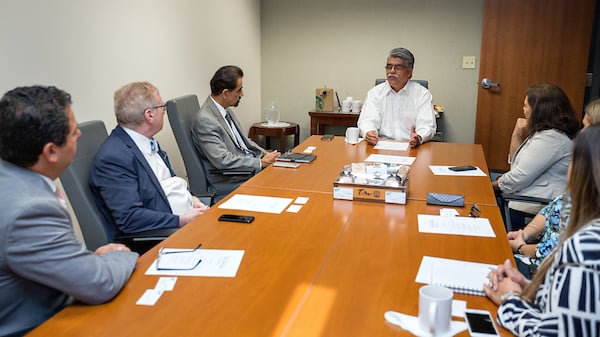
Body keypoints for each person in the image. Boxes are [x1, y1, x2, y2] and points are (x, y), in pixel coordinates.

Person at [0, 85, 138, 336]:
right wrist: (121, 253)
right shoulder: (28, 211)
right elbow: (100, 283)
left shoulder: (11, 177)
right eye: (75, 132)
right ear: (51, 151)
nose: (80, 135)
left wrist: (89, 262)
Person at [484, 124, 600, 336]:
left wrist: (510, 299)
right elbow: (574, 308)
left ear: (581, 171)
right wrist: (530, 289)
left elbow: (548, 333)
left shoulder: (586, 249)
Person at [90, 82, 209, 239]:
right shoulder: (114, 158)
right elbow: (130, 218)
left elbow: (167, 182)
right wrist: (181, 220)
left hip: (189, 219)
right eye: (162, 107)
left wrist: (191, 199)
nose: (164, 112)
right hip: (164, 237)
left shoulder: (146, 140)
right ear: (149, 115)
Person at [492, 83, 580, 227]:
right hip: (527, 198)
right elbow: (515, 166)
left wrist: (491, 186)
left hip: (532, 207)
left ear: (539, 111)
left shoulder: (551, 139)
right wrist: (516, 135)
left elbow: (517, 177)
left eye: (526, 106)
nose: (523, 109)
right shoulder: (547, 133)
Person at [191, 65, 280, 201]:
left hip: (246, 169)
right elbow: (223, 161)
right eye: (239, 90)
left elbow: (244, 142)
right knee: (281, 187)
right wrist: (260, 163)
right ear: (225, 93)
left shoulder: (226, 111)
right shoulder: (205, 120)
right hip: (230, 180)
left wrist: (265, 154)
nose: (242, 94)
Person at [357, 47, 437, 148]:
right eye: (389, 67)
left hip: (412, 146)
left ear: (409, 72)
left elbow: (427, 125)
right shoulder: (375, 93)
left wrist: (419, 137)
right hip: (380, 146)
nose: (392, 71)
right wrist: (368, 132)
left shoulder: (422, 94)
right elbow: (367, 121)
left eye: (398, 67)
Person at [506, 193, 570, 279]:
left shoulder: (589, 209)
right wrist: (523, 234)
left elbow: (555, 248)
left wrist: (521, 247)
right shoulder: (573, 192)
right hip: (531, 258)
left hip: (543, 270)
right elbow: (548, 212)